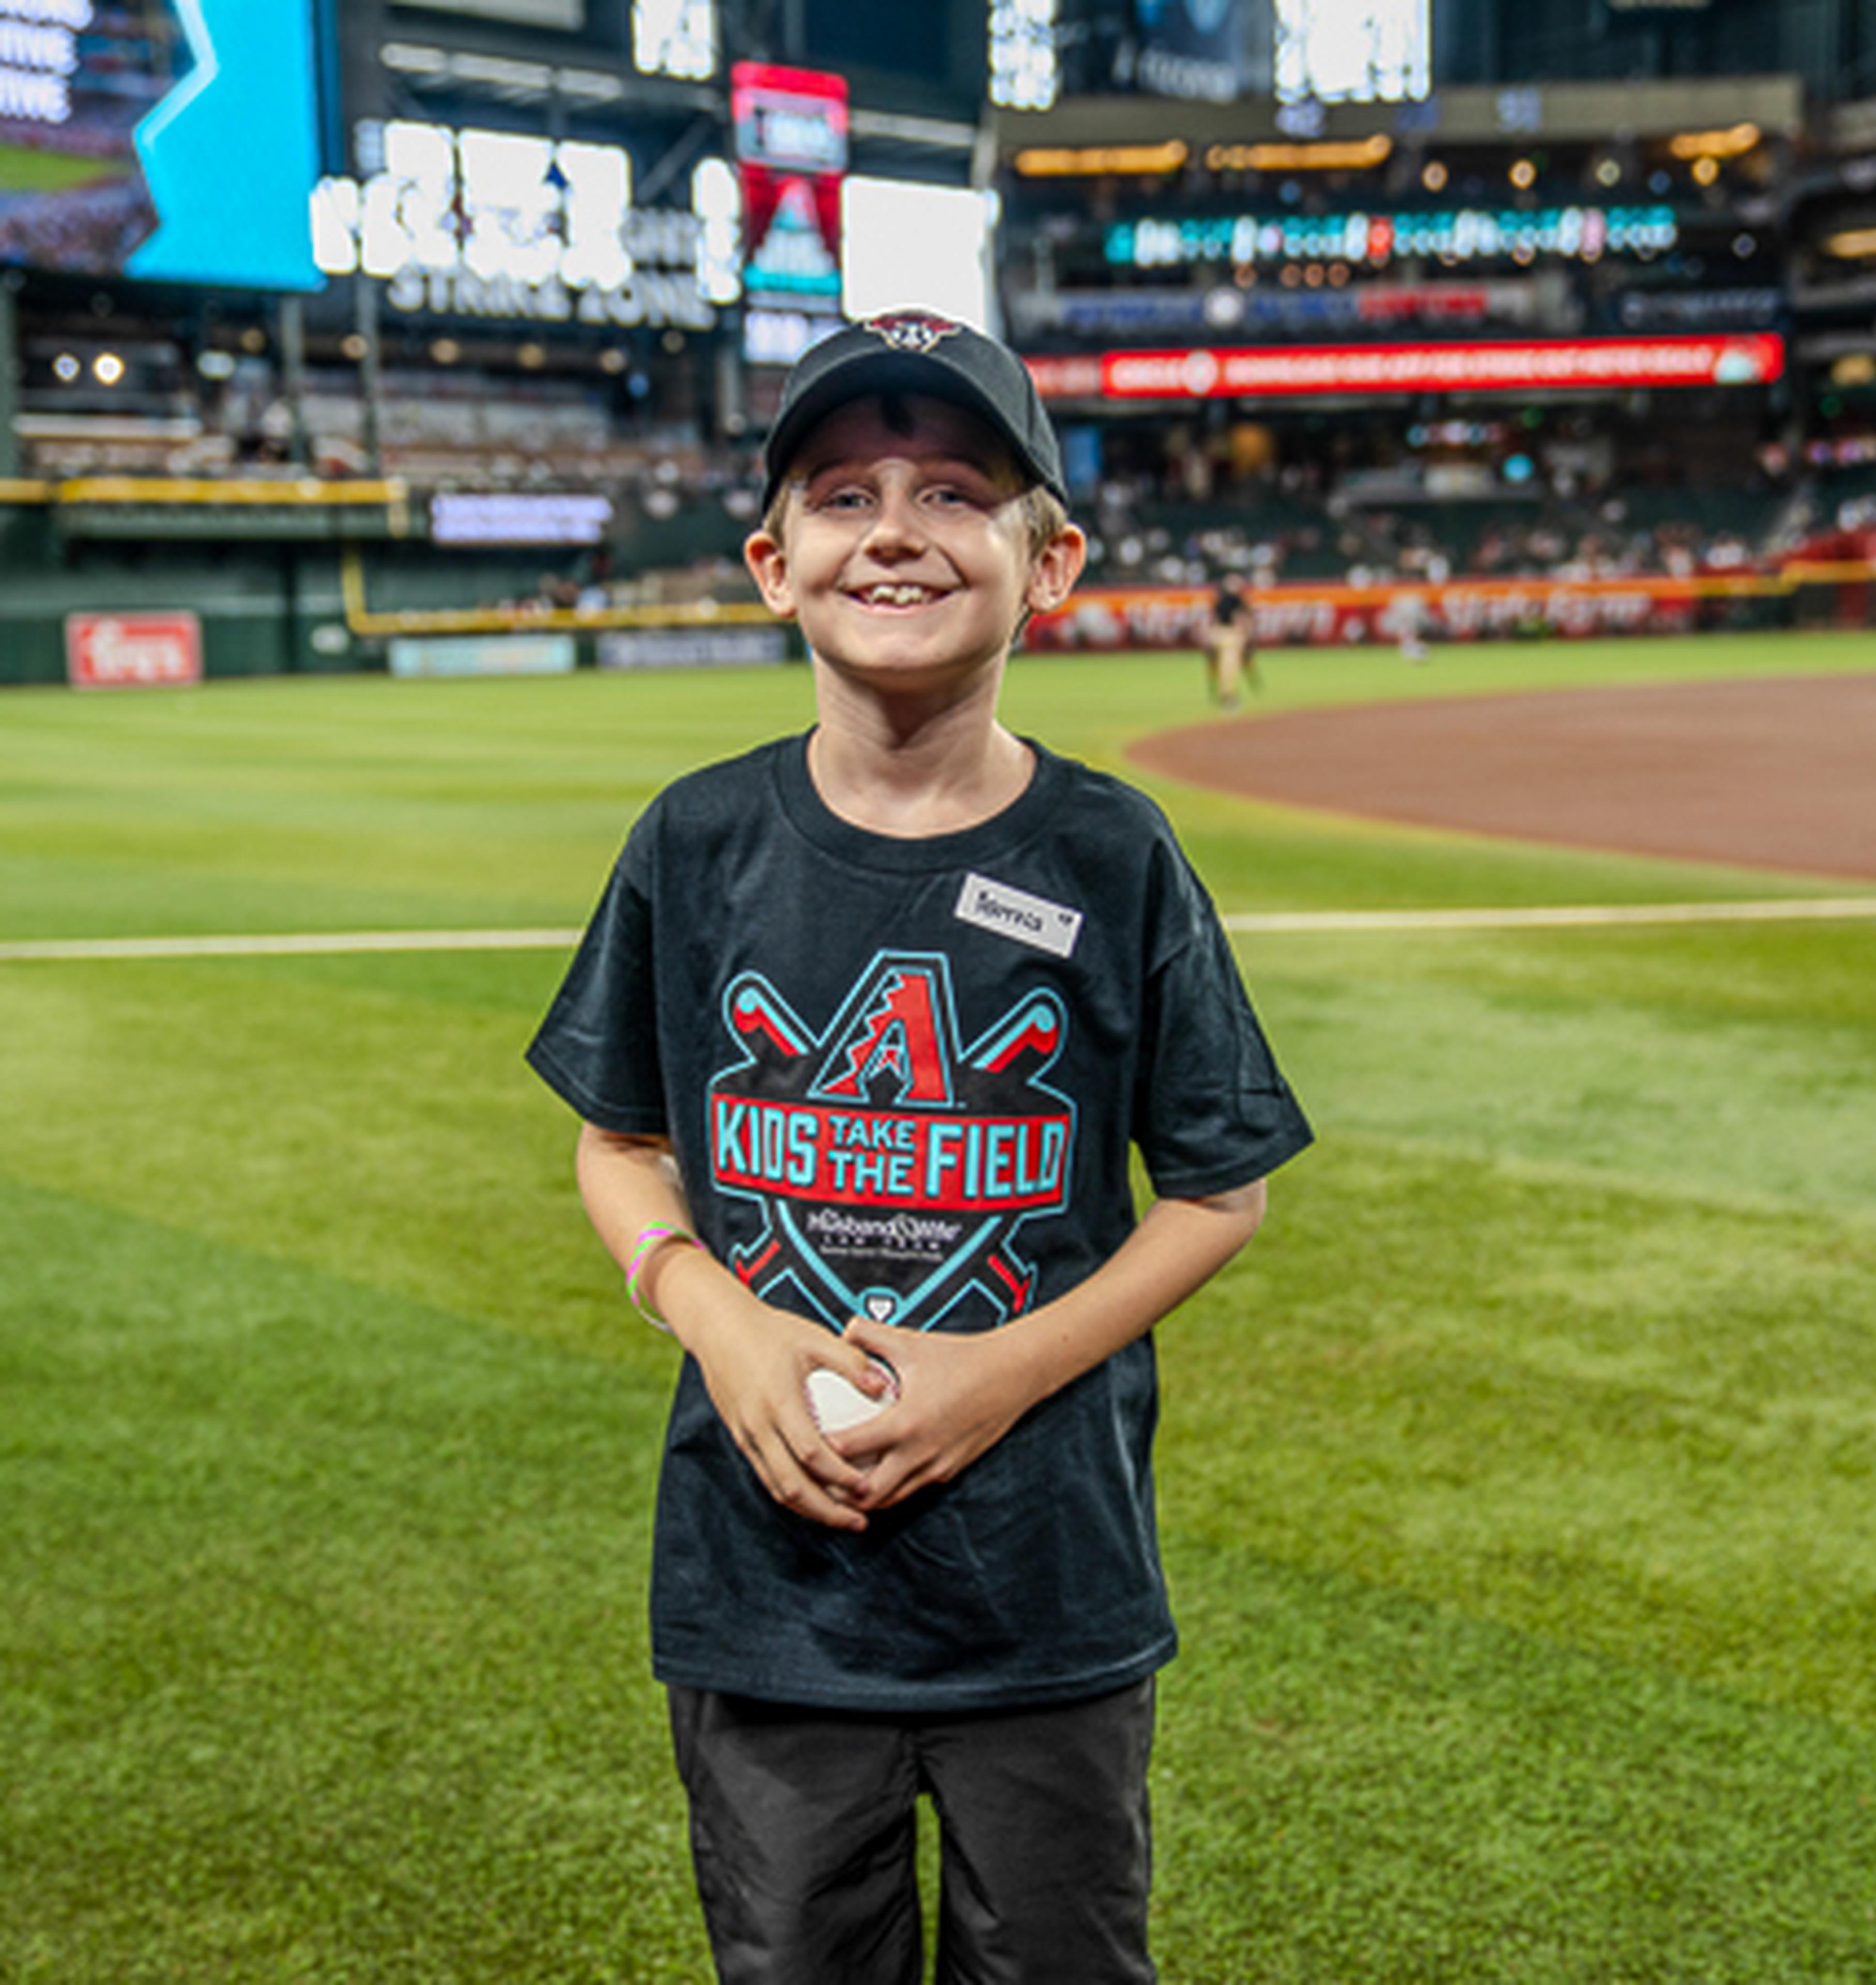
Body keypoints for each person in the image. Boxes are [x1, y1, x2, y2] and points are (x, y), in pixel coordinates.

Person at [525, 309, 1312, 1985]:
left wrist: (1006, 1372)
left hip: (1047, 1580)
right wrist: (712, 1314)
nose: (895, 527)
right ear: (772, 561)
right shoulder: (699, 838)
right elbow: (618, 1145)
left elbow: (1220, 1190)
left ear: (1052, 564)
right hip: (768, 1581)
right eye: (844, 493)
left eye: (957, 492)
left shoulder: (1111, 851)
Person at [1205, 572, 1254, 709]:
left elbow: (1214, 620)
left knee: (1222, 667)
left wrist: (1210, 636)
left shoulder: (1219, 599)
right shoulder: (1237, 600)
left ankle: (1224, 694)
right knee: (1230, 667)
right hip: (1231, 635)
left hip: (1218, 633)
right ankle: (1228, 697)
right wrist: (1247, 635)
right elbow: (1241, 619)